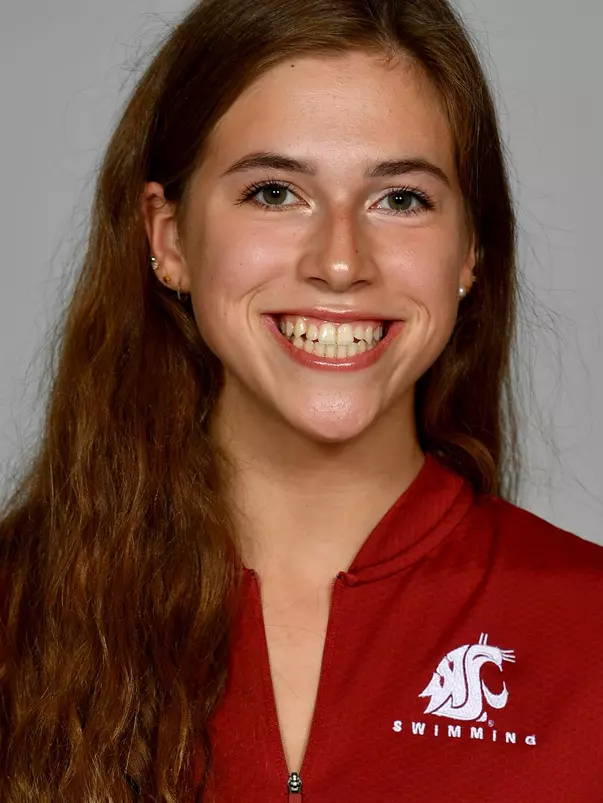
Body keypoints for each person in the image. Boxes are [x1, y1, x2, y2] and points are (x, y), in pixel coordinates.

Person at [1, 0, 602, 800]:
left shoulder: (588, 625)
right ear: (168, 238)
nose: (341, 262)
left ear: (470, 252)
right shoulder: (14, 606)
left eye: (400, 199)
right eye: (276, 192)